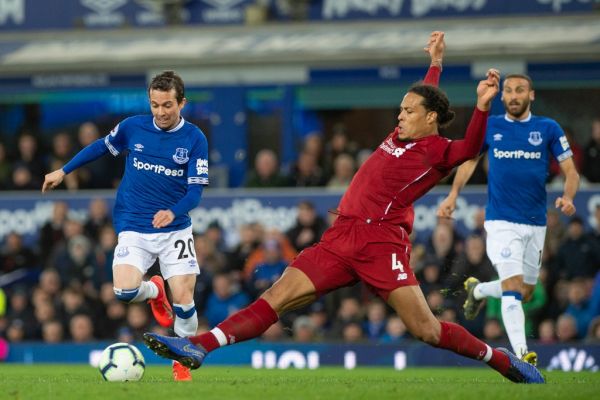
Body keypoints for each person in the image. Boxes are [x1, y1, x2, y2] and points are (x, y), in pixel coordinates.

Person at [143, 32, 544, 383]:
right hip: (341, 236)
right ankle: (198, 347)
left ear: (431, 118)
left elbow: (471, 147)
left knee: (427, 330)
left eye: (407, 111)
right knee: (275, 297)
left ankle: (502, 361)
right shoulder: (402, 133)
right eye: (401, 109)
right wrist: (436, 63)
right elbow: (425, 94)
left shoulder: (437, 151)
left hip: (380, 243)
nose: (399, 115)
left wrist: (482, 105)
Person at [42, 71, 209, 381]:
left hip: (174, 229)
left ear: (182, 103)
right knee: (123, 290)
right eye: (155, 105)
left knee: (185, 300)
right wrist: (63, 171)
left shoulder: (195, 139)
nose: (160, 112)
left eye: (168, 105)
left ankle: (181, 360)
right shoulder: (133, 127)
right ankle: (154, 289)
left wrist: (173, 212)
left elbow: (195, 191)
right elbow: (100, 147)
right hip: (133, 224)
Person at [437, 71, 580, 366]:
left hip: (535, 223)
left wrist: (568, 197)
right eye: (509, 91)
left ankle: (477, 290)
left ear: (532, 95)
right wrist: (452, 195)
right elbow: (469, 162)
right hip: (501, 221)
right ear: (502, 96)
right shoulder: (491, 127)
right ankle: (521, 354)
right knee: (513, 287)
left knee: (525, 291)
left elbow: (571, 172)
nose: (514, 95)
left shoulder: (549, 128)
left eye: (520, 90)